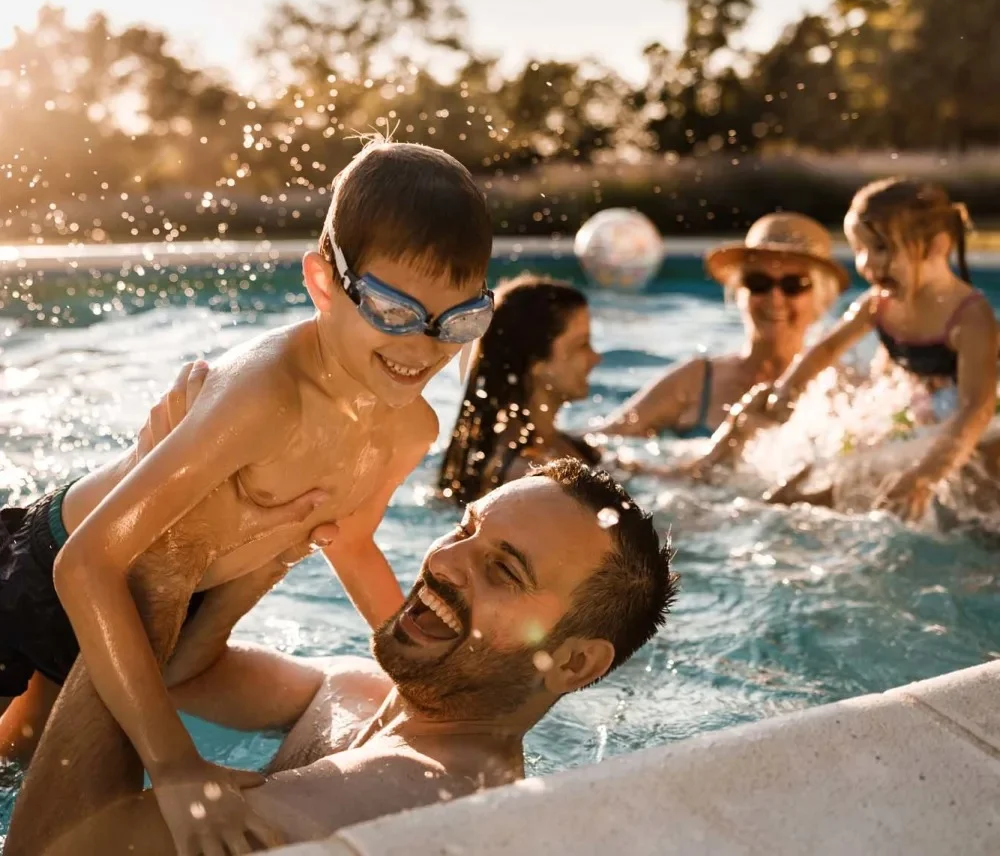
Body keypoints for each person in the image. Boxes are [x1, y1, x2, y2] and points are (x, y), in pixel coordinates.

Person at [0, 139, 495, 853]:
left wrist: (432, 685)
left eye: (458, 321)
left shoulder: (409, 427)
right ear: (324, 282)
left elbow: (348, 543)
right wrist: (172, 765)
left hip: (160, 611)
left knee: (27, 758)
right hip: (42, 576)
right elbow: (85, 565)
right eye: (392, 309)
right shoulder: (267, 394)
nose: (422, 347)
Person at [4, 457, 678, 856]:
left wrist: (150, 564)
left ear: (575, 664)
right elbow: (181, 676)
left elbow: (51, 852)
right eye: (465, 530)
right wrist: (271, 542)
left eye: (503, 569)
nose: (442, 562)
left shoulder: (413, 792)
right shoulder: (363, 691)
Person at [693, 178, 998, 521]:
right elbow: (825, 350)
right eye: (859, 249)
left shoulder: (970, 318)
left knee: (813, 496)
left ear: (937, 246)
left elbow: (977, 409)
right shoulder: (878, 304)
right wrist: (789, 388)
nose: (867, 263)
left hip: (982, 427)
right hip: (925, 416)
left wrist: (925, 476)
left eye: (881, 248)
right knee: (798, 485)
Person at [597, 212, 849, 439]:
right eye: (758, 282)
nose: (775, 298)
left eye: (793, 285)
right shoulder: (695, 380)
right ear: (738, 291)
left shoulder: (842, 391)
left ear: (822, 300)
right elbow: (601, 442)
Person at [438, 274, 602, 504]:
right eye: (581, 345)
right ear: (536, 363)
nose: (595, 358)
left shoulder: (567, 445)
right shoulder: (520, 476)